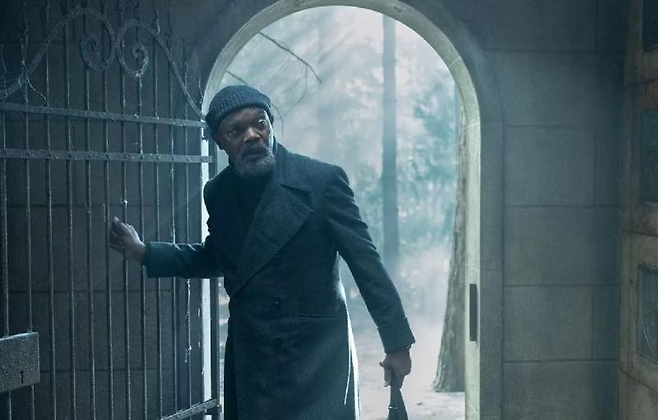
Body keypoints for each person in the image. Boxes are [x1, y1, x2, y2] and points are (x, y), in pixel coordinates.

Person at [109, 85, 415, 419]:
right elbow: (220, 257)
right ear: (219, 141)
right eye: (237, 131)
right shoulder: (218, 193)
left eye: (260, 123)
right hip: (253, 356)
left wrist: (396, 342)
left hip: (318, 357)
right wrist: (145, 253)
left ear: (270, 125)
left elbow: (365, 262)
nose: (252, 135)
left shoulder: (321, 181)